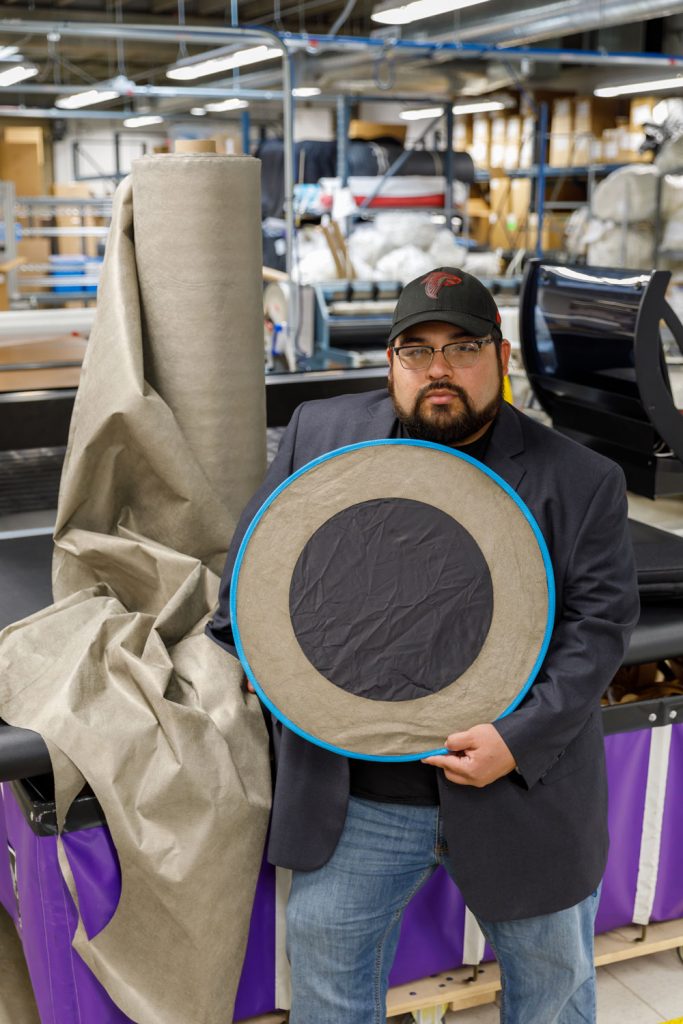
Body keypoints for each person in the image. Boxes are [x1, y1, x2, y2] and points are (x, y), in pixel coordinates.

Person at [208, 266, 640, 1024]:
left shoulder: (579, 479)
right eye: (416, 350)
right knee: (329, 980)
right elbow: (254, 574)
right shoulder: (321, 433)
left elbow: (598, 626)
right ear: (391, 363)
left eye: (462, 347)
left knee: (551, 989)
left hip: (515, 784)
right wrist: (269, 671)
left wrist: (517, 739)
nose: (439, 370)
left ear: (499, 358)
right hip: (359, 793)